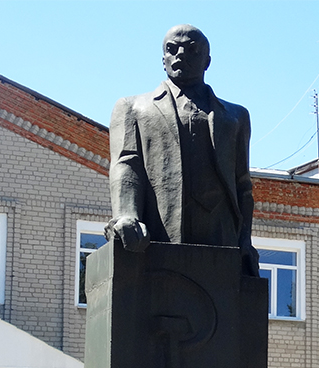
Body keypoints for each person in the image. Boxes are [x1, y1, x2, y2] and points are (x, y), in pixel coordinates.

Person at [106, 24, 259, 277]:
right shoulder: (132, 108)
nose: (180, 55)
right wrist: (126, 215)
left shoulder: (235, 116)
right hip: (158, 234)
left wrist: (244, 240)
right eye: (172, 49)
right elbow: (126, 165)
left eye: (191, 49)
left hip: (220, 237)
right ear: (162, 59)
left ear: (207, 61)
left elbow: (243, 185)